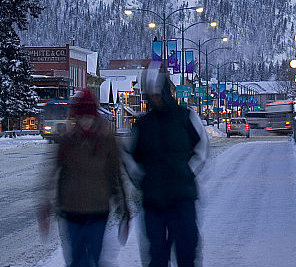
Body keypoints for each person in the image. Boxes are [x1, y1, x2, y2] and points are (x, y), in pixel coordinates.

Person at [38, 88, 130, 267]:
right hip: (71, 211)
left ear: (95, 117)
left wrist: (123, 208)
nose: (86, 121)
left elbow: (116, 175)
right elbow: (51, 173)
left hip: (98, 211)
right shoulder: (66, 141)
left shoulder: (106, 141)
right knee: (77, 260)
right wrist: (45, 204)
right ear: (77, 118)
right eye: (82, 117)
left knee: (95, 258)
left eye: (89, 117)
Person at [130, 66, 208, 267]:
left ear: (165, 92)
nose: (155, 99)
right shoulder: (143, 125)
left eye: (158, 93)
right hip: (153, 202)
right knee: (156, 256)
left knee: (186, 251)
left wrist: (186, 171)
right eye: (152, 95)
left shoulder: (185, 117)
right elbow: (131, 158)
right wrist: (142, 178)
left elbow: (201, 147)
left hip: (182, 198)